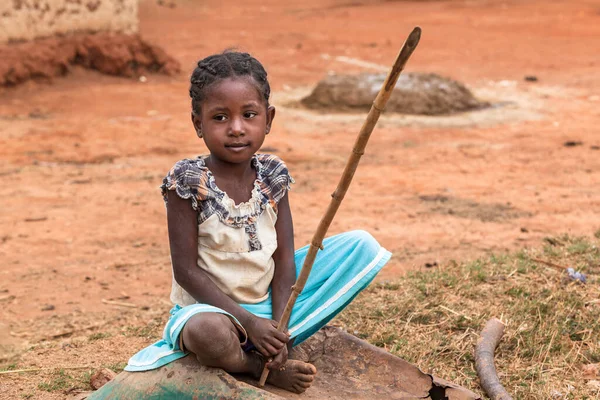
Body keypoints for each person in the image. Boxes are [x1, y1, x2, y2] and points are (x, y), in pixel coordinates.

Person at [125, 51, 392, 394]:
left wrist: (279, 326)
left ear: (268, 119)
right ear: (197, 123)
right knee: (207, 333)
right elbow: (186, 272)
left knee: (361, 246)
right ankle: (248, 364)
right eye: (220, 117)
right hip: (213, 310)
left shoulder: (273, 175)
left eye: (249, 115)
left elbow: (284, 260)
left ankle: (276, 342)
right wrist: (250, 324)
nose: (236, 128)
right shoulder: (187, 181)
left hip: (269, 305)